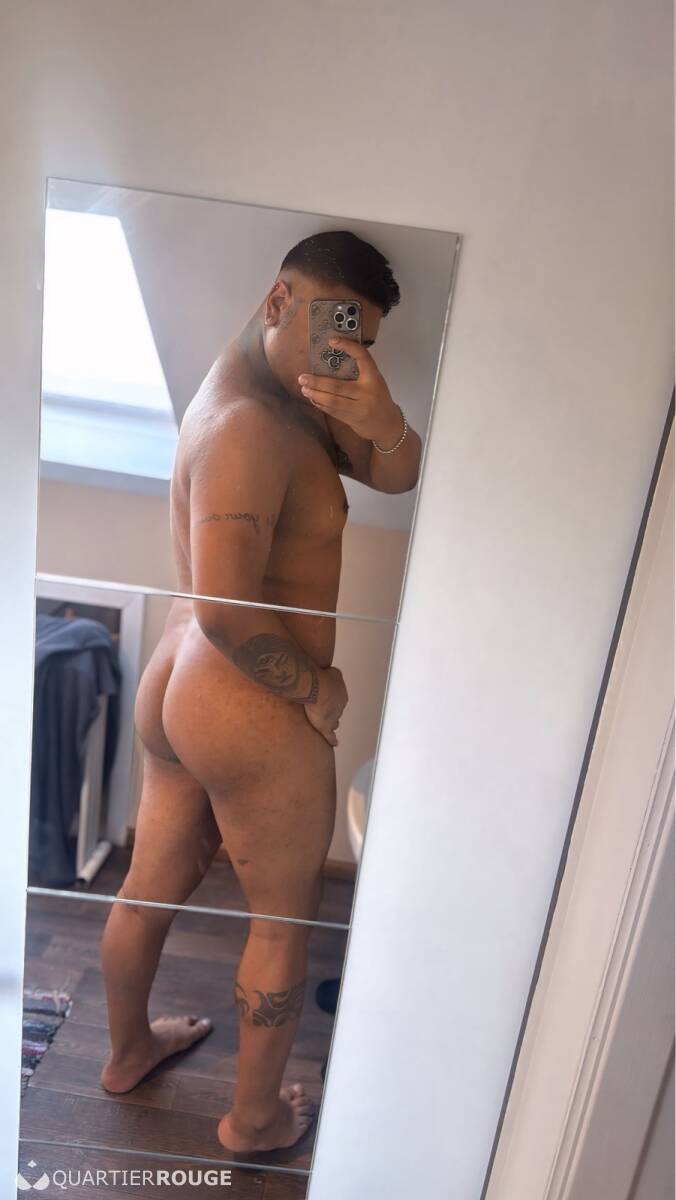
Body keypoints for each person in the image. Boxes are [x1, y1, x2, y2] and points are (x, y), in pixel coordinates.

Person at [99, 230, 422, 1153]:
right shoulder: (247, 426)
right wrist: (315, 686)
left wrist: (382, 413)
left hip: (183, 685)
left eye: (359, 339)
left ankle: (128, 1053)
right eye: (331, 328)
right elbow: (226, 609)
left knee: (152, 882)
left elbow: (396, 471)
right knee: (282, 922)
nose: (343, 353)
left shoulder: (287, 390)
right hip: (242, 695)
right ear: (280, 301)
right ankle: (255, 1119)